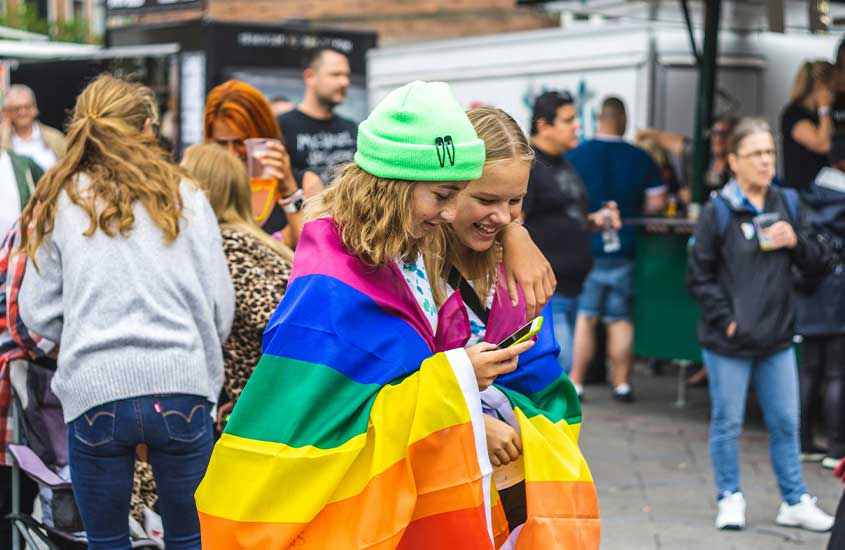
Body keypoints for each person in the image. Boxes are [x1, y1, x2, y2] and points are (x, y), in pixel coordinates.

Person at [194, 81, 571, 548]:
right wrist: (459, 380)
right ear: (396, 186)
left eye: (511, 202)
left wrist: (515, 234)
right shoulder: (338, 269)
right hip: (326, 509)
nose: (451, 211)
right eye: (444, 195)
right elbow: (322, 420)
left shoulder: (402, 251)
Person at [16, 73, 235, 549]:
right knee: (189, 539)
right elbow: (221, 304)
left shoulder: (60, 198)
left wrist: (81, 329)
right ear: (144, 128)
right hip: (182, 382)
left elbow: (34, 310)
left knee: (108, 541)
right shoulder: (184, 196)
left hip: (95, 389)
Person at [424, 105, 600, 543]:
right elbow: (383, 384)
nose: (501, 215)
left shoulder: (519, 270)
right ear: (446, 190)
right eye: (485, 199)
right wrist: (466, 421)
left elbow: (546, 382)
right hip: (429, 492)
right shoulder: (411, 267)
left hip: (505, 496)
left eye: (515, 201)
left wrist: (516, 234)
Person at [687, 117, 833, 533]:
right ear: (734, 160)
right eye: (756, 154)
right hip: (729, 340)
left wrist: (797, 242)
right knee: (728, 422)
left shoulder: (787, 202)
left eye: (770, 152)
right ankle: (729, 496)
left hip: (778, 337)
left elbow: (820, 262)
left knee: (787, 421)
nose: (766, 161)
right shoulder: (718, 210)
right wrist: (728, 322)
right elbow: (699, 276)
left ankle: (794, 500)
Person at [180, 143, 294, 431]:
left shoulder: (229, 249)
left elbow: (278, 320)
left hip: (271, 414)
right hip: (272, 404)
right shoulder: (253, 240)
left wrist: (249, 394)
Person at [567, 96, 666, 401]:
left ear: (599, 118)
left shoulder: (576, 156)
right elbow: (656, 203)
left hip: (588, 250)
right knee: (619, 318)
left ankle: (577, 382)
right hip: (625, 249)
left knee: (586, 317)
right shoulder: (640, 158)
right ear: (623, 119)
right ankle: (621, 383)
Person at [521, 91, 620, 376]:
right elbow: (514, 224)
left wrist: (596, 220)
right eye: (568, 120)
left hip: (574, 287)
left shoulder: (564, 163)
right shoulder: (529, 165)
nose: (577, 126)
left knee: (564, 368)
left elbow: (566, 217)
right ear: (543, 126)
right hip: (546, 292)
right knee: (556, 368)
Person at [204, 79, 322, 249]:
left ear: (262, 135)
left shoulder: (305, 183)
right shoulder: (203, 187)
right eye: (221, 144)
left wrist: (289, 191)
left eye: (240, 143)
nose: (231, 153)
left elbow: (316, 253)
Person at [795, 160, 845, 468]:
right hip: (839, 290)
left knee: (808, 370)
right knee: (837, 373)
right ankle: (837, 448)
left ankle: (802, 441)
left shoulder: (808, 196)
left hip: (809, 288)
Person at [278, 47, 358, 183]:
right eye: (335, 74)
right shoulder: (282, 126)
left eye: (347, 76)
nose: (344, 82)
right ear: (310, 77)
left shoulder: (351, 128)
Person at [636, 116, 738, 197]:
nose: (718, 139)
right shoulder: (702, 158)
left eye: (724, 134)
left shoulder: (740, 165)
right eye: (715, 134)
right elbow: (680, 144)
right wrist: (647, 133)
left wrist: (696, 196)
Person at [781, 60, 834, 191]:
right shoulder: (794, 113)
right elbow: (823, 145)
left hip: (822, 187)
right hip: (804, 192)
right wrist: (824, 107)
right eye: (832, 88)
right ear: (821, 86)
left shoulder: (817, 116)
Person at [0, 84, 66, 171]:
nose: (22, 112)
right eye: (16, 108)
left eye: (27, 107)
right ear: (8, 112)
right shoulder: (3, 140)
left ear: (34, 108)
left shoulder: (55, 137)